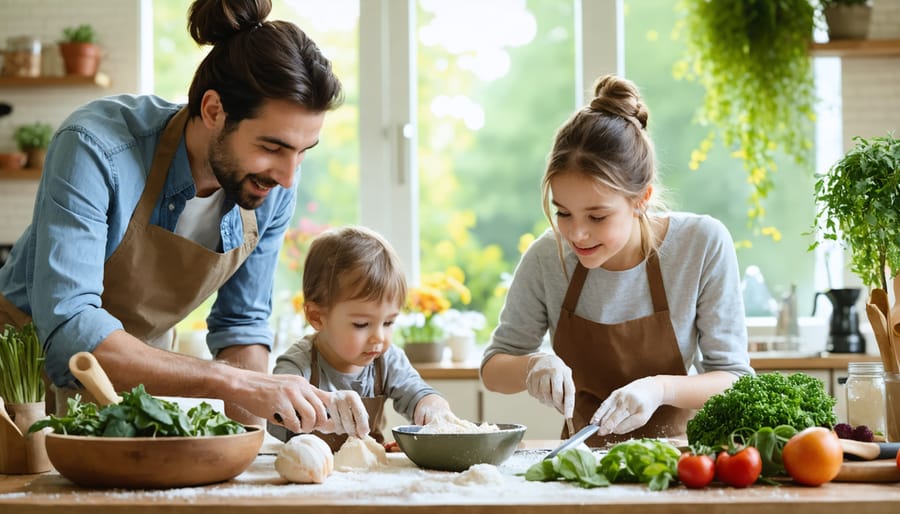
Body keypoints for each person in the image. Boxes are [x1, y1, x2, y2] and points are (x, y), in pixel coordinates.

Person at [0, 0, 342, 435]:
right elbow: (70, 329)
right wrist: (236, 383)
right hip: (21, 383)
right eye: (272, 148)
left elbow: (241, 327)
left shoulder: (268, 188)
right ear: (214, 110)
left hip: (136, 384)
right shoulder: (95, 147)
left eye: (302, 153)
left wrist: (253, 453)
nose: (289, 178)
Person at [480, 74, 754, 446]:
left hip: (677, 461)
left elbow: (733, 378)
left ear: (641, 198)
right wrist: (534, 366)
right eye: (563, 213)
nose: (576, 234)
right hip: (581, 461)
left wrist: (659, 389)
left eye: (597, 217)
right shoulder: (548, 256)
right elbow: (494, 370)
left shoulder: (701, 244)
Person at [268, 225, 456, 451]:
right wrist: (320, 410)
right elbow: (276, 415)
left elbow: (416, 392)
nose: (378, 337)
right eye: (361, 324)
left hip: (370, 470)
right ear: (317, 317)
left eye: (388, 323)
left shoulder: (387, 360)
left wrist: (432, 406)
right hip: (309, 469)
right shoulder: (298, 364)